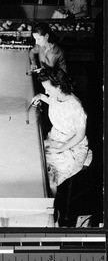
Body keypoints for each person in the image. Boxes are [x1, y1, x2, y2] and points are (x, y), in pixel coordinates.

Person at [31, 67, 92, 196]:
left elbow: (80, 136)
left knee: (48, 179)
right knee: (33, 161)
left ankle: (49, 210)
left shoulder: (76, 107)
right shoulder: (56, 96)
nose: (46, 91)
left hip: (72, 147)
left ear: (58, 87)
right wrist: (41, 96)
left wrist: (60, 149)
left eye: (48, 89)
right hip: (55, 138)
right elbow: (54, 104)